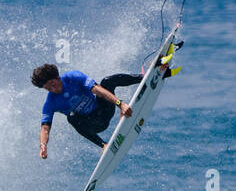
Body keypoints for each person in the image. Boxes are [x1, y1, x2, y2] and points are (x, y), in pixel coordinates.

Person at [33, 57, 177, 157]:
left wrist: (120, 104)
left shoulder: (73, 77)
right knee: (72, 118)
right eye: (47, 88)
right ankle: (104, 145)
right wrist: (43, 145)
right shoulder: (50, 102)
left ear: (57, 77)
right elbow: (45, 128)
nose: (52, 89)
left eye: (52, 84)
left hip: (104, 109)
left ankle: (144, 77)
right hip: (94, 124)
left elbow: (97, 90)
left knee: (107, 81)